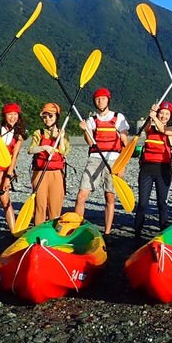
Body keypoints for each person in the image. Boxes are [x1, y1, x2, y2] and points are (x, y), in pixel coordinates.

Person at [74, 87, 129, 235]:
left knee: (109, 197)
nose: (100, 101)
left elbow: (124, 142)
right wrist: (85, 130)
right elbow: (90, 142)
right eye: (98, 99)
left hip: (114, 161)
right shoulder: (92, 120)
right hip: (95, 159)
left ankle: (108, 232)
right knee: (81, 195)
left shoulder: (119, 118)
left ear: (108, 100)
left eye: (103, 98)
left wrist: (122, 165)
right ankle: (76, 229)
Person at [133, 101, 172, 240]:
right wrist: (150, 114)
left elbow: (163, 130)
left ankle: (164, 233)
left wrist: (155, 117)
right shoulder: (149, 128)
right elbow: (146, 126)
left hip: (163, 169)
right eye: (161, 113)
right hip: (147, 169)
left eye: (166, 114)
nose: (164, 116)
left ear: (170, 116)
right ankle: (137, 233)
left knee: (161, 202)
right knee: (143, 203)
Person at [28, 102, 71, 226]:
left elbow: (63, 152)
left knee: (55, 206)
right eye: (45, 117)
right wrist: (44, 147)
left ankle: (53, 232)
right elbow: (31, 150)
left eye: (50, 116)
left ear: (57, 117)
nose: (47, 119)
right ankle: (39, 231)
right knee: (40, 205)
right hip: (40, 172)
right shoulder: (38, 133)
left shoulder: (63, 134)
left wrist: (61, 138)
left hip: (56, 174)